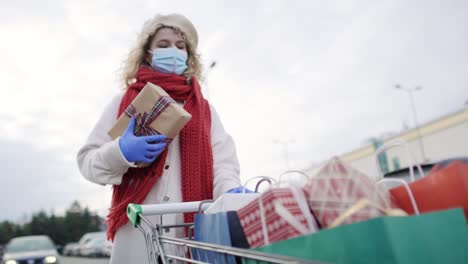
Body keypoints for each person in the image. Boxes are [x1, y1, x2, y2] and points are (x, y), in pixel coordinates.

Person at [76, 13, 247, 263]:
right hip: (137, 238)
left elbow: (223, 165)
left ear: (189, 56)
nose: (173, 51)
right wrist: (121, 151)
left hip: (190, 238)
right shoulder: (125, 103)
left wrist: (231, 190)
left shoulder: (205, 110)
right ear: (148, 53)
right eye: (163, 45)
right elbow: (87, 162)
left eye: (181, 46)